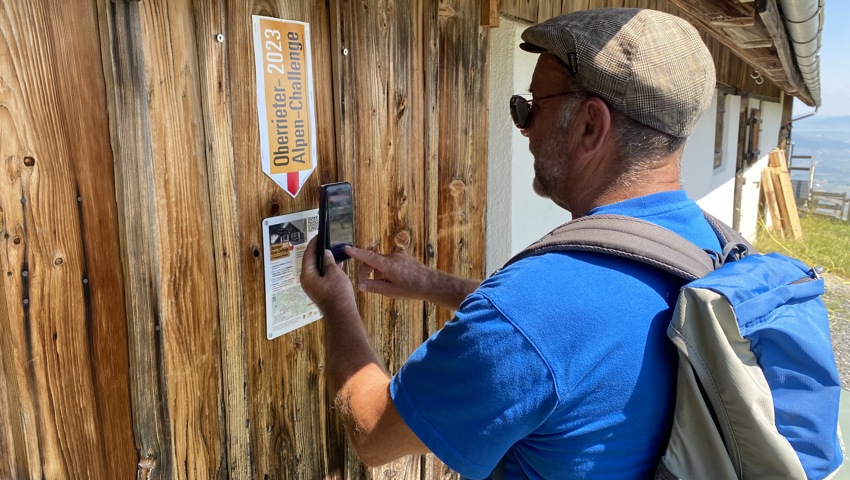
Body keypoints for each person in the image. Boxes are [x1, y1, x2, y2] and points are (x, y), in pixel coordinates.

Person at [301, 8, 719, 479]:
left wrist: (337, 304)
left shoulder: (535, 308)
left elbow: (374, 432)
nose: (523, 129)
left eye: (530, 108)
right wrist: (434, 283)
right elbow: (571, 340)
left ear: (589, 126)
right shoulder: (710, 246)